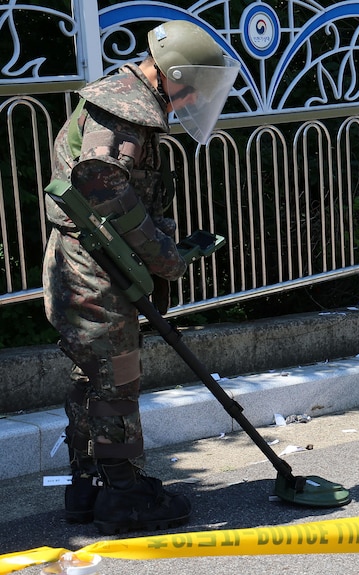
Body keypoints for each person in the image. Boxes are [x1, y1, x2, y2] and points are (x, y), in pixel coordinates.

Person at [42, 20, 239, 535]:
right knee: (116, 379)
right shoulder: (123, 110)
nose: (192, 97)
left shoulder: (126, 101)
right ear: (170, 73)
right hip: (94, 269)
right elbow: (101, 186)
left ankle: (87, 487)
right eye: (191, 85)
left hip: (89, 263)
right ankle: (124, 496)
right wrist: (165, 257)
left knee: (93, 377)